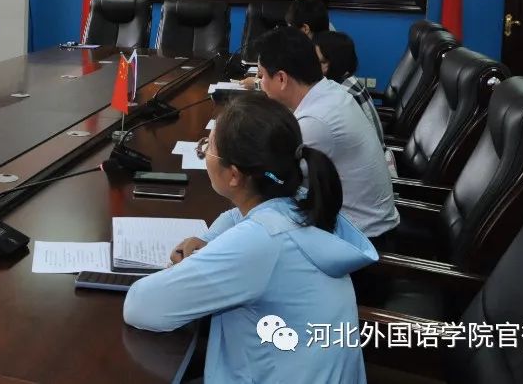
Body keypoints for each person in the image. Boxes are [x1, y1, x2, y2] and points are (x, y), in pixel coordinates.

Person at [123, 93, 375, 384]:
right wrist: (210, 239)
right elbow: (237, 218)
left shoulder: (260, 242)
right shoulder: (300, 202)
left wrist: (191, 265)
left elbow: (141, 306)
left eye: (208, 147)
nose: (204, 152)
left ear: (234, 175)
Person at [254, 27, 399, 242]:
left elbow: (275, 180)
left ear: (282, 78)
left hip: (361, 240)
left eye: (261, 75)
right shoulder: (330, 90)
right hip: (353, 223)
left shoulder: (317, 120)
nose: (260, 83)